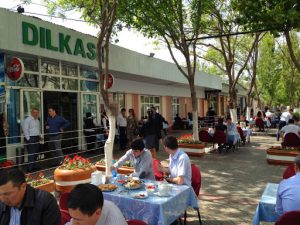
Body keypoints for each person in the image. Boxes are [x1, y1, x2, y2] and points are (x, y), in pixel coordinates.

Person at [23, 108, 41, 172]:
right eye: (34, 112)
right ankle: (29, 168)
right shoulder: (27, 120)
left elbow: (38, 129)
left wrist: (40, 136)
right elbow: (25, 129)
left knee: (36, 153)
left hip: (36, 138)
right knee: (31, 153)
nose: (36, 114)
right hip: (31, 138)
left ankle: (34, 166)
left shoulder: (37, 120)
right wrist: (28, 139)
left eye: (37, 112)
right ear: (32, 113)